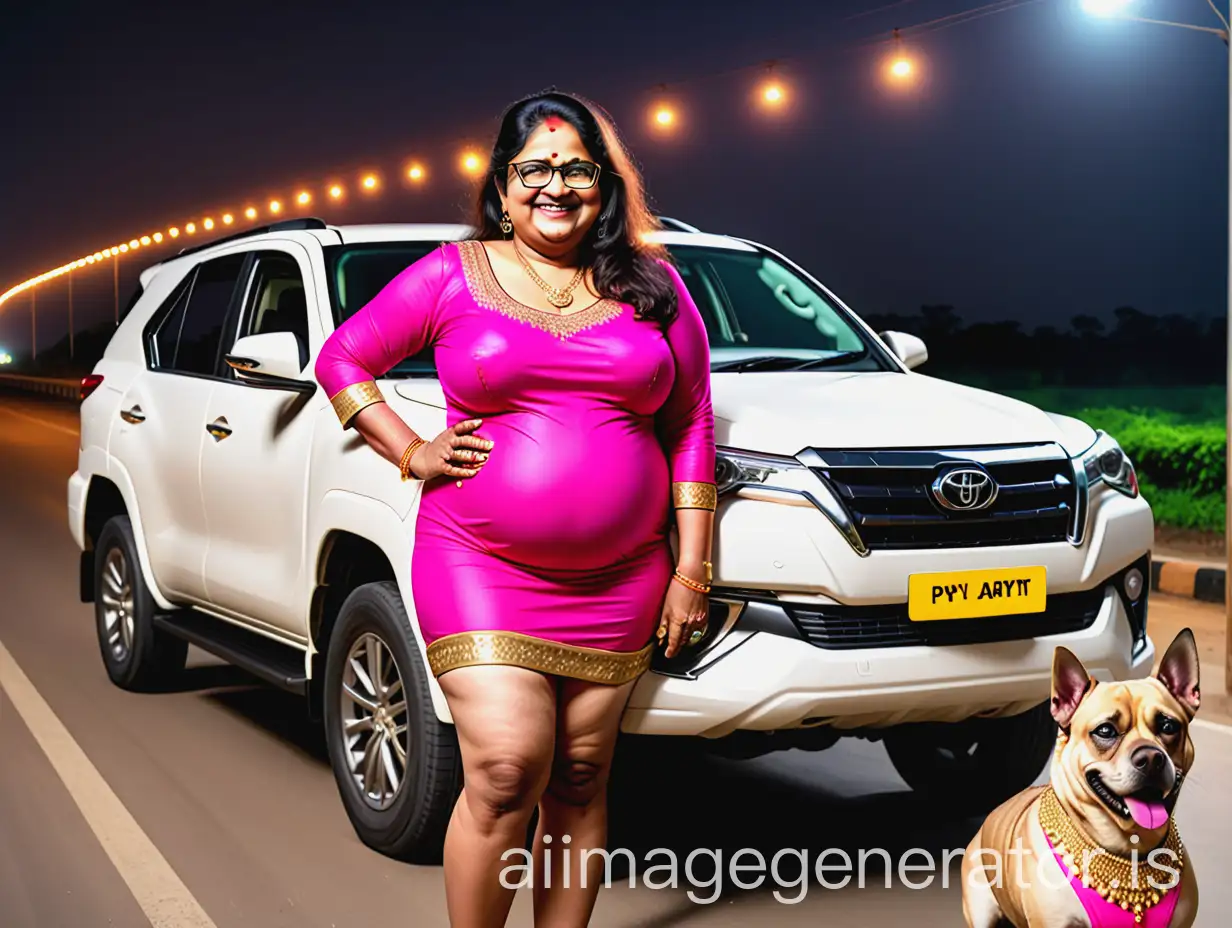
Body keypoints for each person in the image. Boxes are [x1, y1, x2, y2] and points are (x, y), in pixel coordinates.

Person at [313, 89, 716, 927]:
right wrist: (409, 449)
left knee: (579, 775)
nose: (555, 186)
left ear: (604, 185)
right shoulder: (452, 276)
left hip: (623, 578)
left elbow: (690, 424)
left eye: (577, 169)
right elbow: (345, 357)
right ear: (502, 188)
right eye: (535, 169)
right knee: (505, 769)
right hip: (479, 560)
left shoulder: (657, 287)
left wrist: (692, 570)